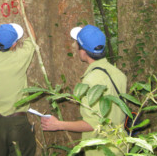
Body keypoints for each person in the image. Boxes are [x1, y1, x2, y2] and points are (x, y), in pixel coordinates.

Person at [41, 24, 127, 156]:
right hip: (121, 146)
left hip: (101, 151)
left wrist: (58, 124)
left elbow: (92, 124)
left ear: (83, 51)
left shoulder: (90, 81)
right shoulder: (118, 74)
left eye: (77, 44)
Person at [0, 13, 37, 156]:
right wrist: (24, 14)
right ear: (15, 44)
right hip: (18, 122)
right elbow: (32, 38)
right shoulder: (20, 57)